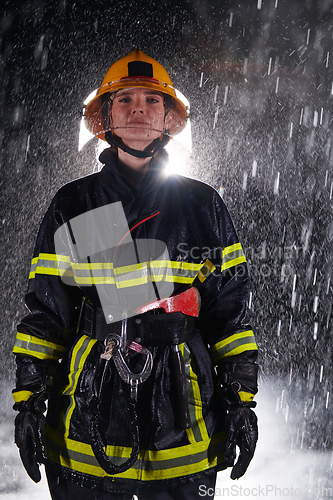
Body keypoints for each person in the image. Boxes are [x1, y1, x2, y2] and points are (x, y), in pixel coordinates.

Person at [12, 50, 259, 500]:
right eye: (124, 99)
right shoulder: (75, 204)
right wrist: (29, 400)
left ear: (169, 119)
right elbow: (47, 314)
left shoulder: (202, 207)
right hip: (89, 412)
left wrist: (241, 400)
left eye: (151, 100)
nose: (139, 109)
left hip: (183, 410)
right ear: (106, 117)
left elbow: (230, 316)